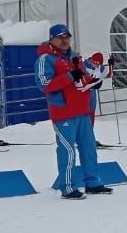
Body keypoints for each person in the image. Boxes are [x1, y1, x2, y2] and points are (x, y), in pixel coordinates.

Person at [35, 23, 110, 199]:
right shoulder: (45, 59)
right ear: (52, 39)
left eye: (67, 37)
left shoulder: (75, 57)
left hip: (82, 110)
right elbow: (44, 85)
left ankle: (92, 182)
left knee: (89, 147)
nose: (64, 40)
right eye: (60, 37)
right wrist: (69, 77)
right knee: (67, 150)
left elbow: (82, 77)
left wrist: (93, 81)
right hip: (63, 111)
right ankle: (67, 187)